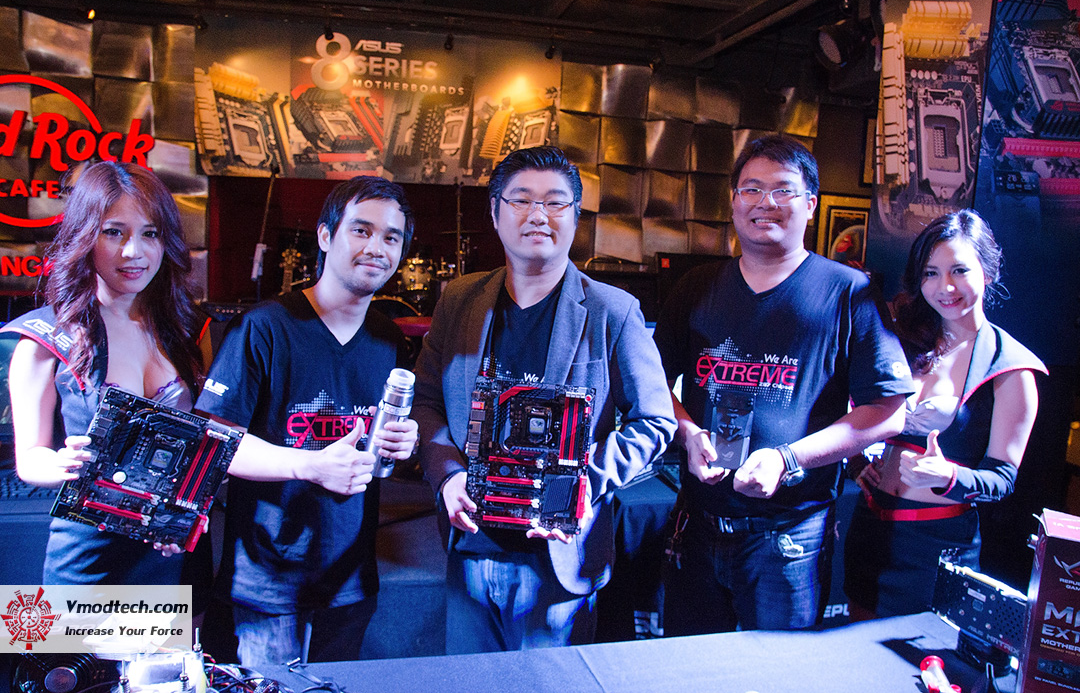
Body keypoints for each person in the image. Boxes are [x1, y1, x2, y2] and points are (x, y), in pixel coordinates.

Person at [413, 145, 676, 653]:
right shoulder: (459, 300)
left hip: (560, 561)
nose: (538, 214)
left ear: (575, 217)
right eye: (521, 200)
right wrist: (446, 474)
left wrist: (582, 482)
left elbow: (654, 421)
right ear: (495, 213)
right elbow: (425, 402)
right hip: (470, 549)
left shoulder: (613, 311)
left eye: (555, 202)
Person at [653, 134, 914, 635]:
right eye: (751, 189)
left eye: (783, 190)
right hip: (697, 525)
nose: (765, 202)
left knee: (778, 671)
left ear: (811, 204)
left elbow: (888, 412)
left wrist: (787, 459)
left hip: (790, 537)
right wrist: (687, 433)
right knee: (688, 666)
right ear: (733, 201)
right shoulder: (696, 287)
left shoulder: (849, 292)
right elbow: (653, 385)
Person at [194, 176, 419, 667]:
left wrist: (404, 443)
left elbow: (378, 449)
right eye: (360, 230)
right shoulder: (265, 327)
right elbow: (212, 442)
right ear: (325, 236)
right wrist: (308, 465)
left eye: (391, 237)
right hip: (268, 581)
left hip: (349, 580)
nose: (376, 247)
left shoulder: (388, 340)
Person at [4, 160, 205, 584]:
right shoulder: (45, 338)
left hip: (168, 553)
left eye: (150, 233)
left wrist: (187, 509)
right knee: (63, 635)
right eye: (114, 232)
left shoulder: (182, 330)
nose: (134, 252)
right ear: (84, 236)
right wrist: (63, 463)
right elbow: (29, 460)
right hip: (87, 561)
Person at [843, 210, 1044, 619]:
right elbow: (861, 416)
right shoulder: (901, 340)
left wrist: (948, 477)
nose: (945, 287)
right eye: (931, 273)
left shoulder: (1010, 367)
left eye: (959, 270)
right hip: (871, 528)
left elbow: (1002, 480)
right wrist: (858, 463)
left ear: (987, 271)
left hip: (937, 543)